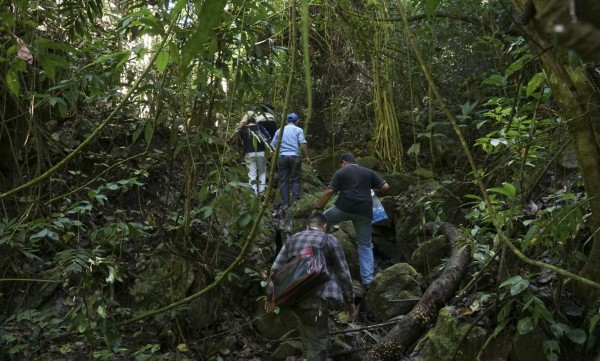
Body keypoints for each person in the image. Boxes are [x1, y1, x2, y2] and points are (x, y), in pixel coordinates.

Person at [266, 212, 355, 360]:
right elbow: (343, 273)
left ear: (308, 226)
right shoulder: (329, 240)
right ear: (324, 226)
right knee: (318, 343)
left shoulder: (293, 239)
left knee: (307, 338)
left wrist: (270, 295)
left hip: (295, 298)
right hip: (318, 299)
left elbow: (276, 269)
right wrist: (350, 301)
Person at [313, 152, 390, 287]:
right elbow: (385, 187)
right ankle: (367, 281)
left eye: (341, 164)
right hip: (364, 211)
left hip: (344, 208)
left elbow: (330, 191)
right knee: (365, 244)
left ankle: (318, 256)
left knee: (322, 221)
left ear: (343, 162)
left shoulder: (341, 173)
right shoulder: (368, 172)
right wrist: (369, 189)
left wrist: (318, 207)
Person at [270, 113, 310, 207]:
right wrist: (307, 157)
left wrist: (273, 155)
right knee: (295, 180)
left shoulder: (280, 130)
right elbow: (302, 143)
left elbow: (272, 146)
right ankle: (296, 202)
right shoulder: (298, 130)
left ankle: (285, 204)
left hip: (282, 157)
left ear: (287, 121)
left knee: (284, 181)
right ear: (297, 121)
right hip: (295, 157)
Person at [232, 115, 272, 195]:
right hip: (261, 152)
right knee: (262, 173)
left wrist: (240, 154)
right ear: (255, 120)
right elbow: (268, 138)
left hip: (248, 153)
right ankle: (261, 193)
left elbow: (238, 144)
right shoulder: (260, 127)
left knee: (252, 174)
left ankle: (253, 194)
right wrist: (270, 151)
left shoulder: (242, 129)